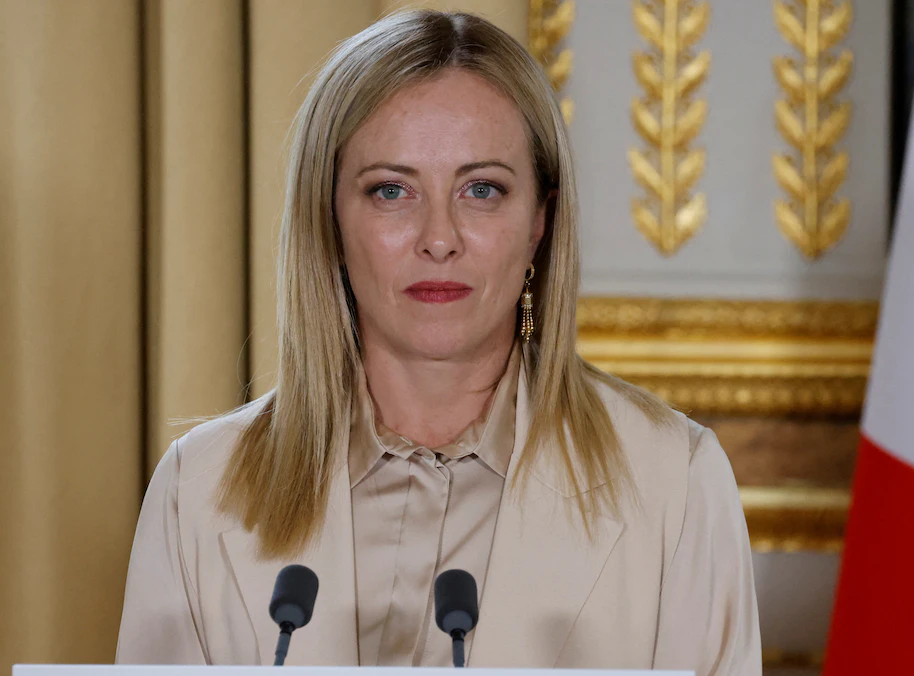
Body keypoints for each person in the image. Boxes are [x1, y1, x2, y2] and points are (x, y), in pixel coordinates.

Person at [115, 9, 760, 675]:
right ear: (328, 217)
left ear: (540, 220)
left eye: (482, 189)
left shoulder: (673, 482)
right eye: (391, 190)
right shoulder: (200, 490)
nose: (440, 238)